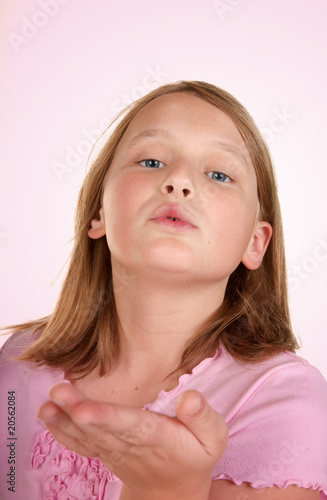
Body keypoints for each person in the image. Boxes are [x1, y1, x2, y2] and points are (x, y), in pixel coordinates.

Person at [0, 81, 326, 500]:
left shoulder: (284, 399)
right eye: (151, 161)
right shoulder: (19, 361)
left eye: (219, 174)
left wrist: (170, 490)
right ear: (99, 212)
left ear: (255, 243)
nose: (178, 181)